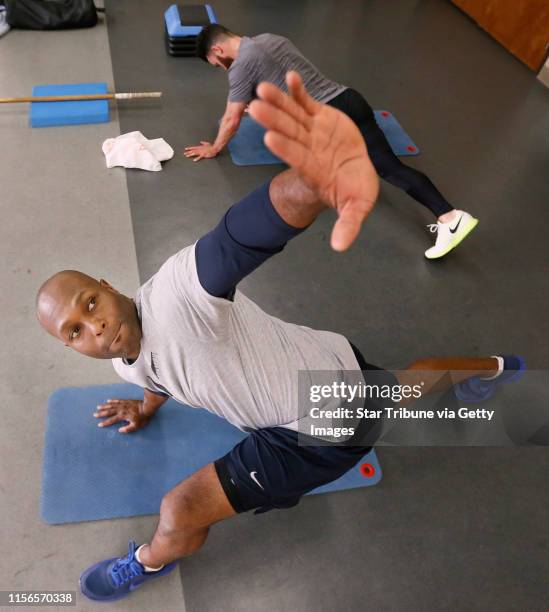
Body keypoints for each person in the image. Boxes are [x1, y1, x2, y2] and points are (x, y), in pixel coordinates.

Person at [37, 74, 521, 602]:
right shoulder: (124, 360)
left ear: (106, 286)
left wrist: (314, 178)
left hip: (313, 424)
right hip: (331, 361)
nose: (96, 325)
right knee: (397, 389)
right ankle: (497, 368)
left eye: (91, 303)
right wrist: (147, 408)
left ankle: (147, 561)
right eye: (77, 330)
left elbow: (240, 236)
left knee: (181, 508)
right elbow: (150, 370)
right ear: (72, 347)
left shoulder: (179, 292)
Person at [185, 24, 478, 260]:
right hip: (350, 101)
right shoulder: (270, 38)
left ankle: (448, 218)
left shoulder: (239, 67)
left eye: (216, 64)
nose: (222, 69)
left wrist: (214, 147)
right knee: (390, 167)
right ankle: (449, 215)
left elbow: (231, 119)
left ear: (218, 49)